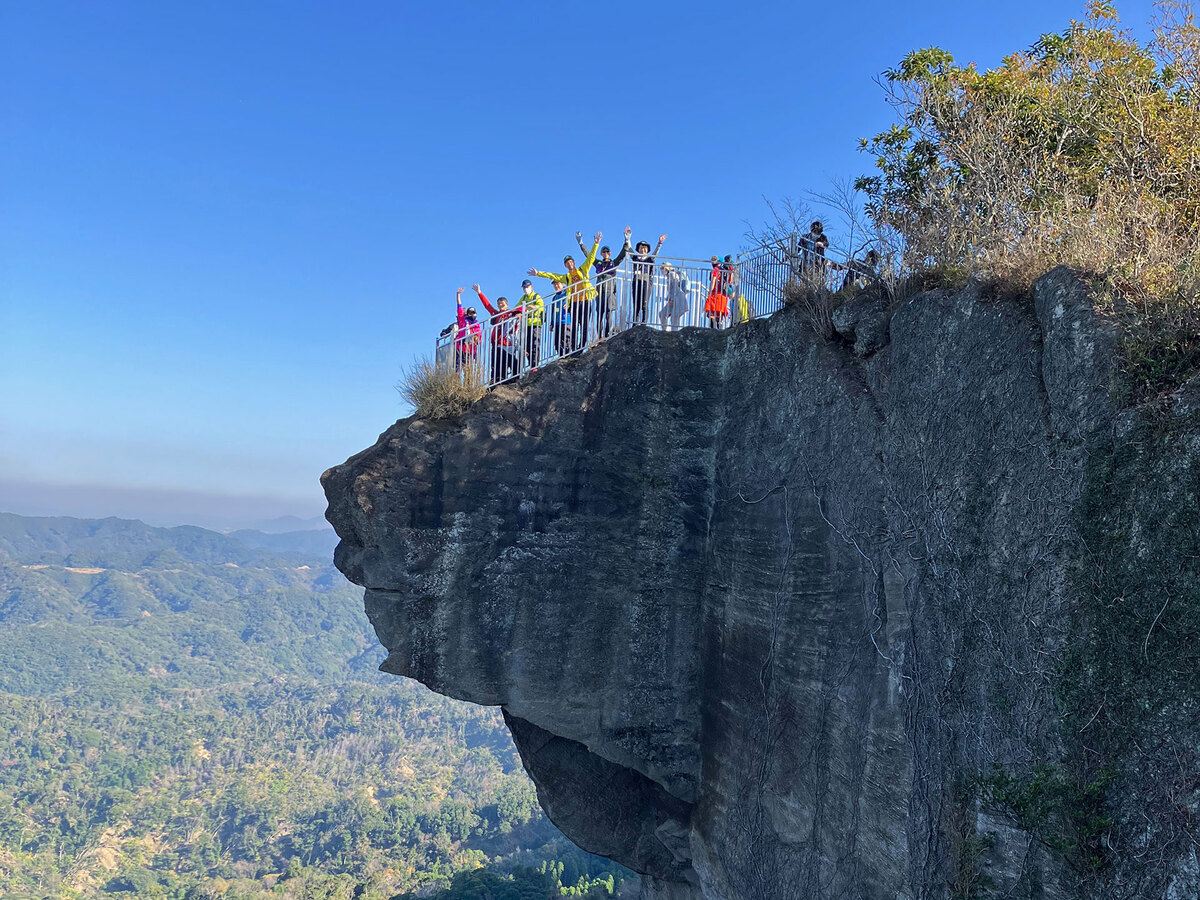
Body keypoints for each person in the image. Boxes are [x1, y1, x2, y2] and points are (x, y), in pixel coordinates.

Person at [529, 231, 601, 351]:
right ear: (565, 266)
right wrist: (538, 273)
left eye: (571, 262)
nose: (570, 264)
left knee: (584, 325)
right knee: (573, 326)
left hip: (585, 300)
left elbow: (591, 257)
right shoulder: (566, 277)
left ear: (574, 262)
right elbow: (551, 275)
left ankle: (581, 346)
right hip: (573, 302)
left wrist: (596, 244)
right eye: (567, 263)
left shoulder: (583, 269)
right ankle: (573, 348)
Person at [579, 230, 627, 340]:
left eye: (607, 252)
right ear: (601, 254)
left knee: (609, 314)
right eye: (603, 252)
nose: (605, 253)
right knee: (599, 314)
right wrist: (581, 243)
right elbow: (588, 255)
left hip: (610, 292)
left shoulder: (613, 263)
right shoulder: (598, 264)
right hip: (599, 292)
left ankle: (606, 335)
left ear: (609, 253)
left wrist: (626, 240)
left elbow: (622, 254)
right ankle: (599, 337)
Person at [472, 284, 523, 383]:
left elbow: (520, 310)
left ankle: (515, 379)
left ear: (506, 304)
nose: (500, 305)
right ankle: (497, 381)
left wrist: (518, 313)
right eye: (499, 304)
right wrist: (479, 293)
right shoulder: (496, 314)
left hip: (507, 344)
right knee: (496, 364)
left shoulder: (510, 313)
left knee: (511, 362)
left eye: (502, 304)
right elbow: (488, 306)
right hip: (496, 344)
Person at [629, 229, 667, 325]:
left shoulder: (650, 259)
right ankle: (635, 323)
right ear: (638, 249)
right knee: (636, 304)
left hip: (646, 282)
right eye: (641, 248)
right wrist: (627, 238)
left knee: (644, 304)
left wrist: (659, 243)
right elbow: (629, 249)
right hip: (636, 281)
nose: (643, 249)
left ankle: (644, 323)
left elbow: (655, 253)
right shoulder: (635, 258)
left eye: (645, 248)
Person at [453, 287, 482, 374]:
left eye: (473, 313)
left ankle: (468, 386)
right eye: (470, 313)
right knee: (458, 368)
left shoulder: (477, 324)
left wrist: (476, 339)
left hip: (470, 349)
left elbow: (479, 336)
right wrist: (458, 295)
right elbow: (459, 306)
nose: (472, 314)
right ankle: (455, 385)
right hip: (460, 348)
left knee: (468, 369)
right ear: (467, 313)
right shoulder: (463, 320)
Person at [518, 279, 545, 369]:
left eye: (527, 287)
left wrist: (533, 307)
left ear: (531, 287)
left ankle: (535, 366)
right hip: (526, 325)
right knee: (526, 346)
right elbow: (517, 308)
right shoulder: (523, 298)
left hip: (535, 323)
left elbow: (541, 306)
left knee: (534, 344)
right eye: (524, 287)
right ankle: (531, 365)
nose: (526, 289)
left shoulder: (536, 296)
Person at [659, 262, 690, 332]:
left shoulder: (672, 274)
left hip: (678, 298)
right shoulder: (670, 276)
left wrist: (671, 299)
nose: (662, 270)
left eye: (663, 268)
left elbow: (675, 287)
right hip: (674, 298)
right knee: (663, 314)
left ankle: (673, 333)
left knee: (674, 317)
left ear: (667, 268)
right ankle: (665, 331)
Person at [799, 220, 830, 285]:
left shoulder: (823, 237)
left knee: (818, 282)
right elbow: (798, 247)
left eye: (819, 232)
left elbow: (826, 244)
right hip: (806, 262)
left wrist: (821, 244)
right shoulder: (805, 237)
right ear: (812, 230)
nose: (817, 234)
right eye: (816, 231)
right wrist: (788, 255)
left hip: (818, 263)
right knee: (805, 282)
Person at [546, 279, 571, 356]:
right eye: (554, 285)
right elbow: (554, 311)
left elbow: (571, 301)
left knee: (566, 339)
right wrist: (552, 323)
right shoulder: (554, 297)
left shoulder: (567, 292)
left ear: (562, 284)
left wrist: (568, 304)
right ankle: (561, 356)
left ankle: (567, 355)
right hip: (556, 322)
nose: (556, 286)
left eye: (557, 284)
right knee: (557, 342)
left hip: (565, 320)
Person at [705, 256, 730, 328]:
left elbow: (713, 281)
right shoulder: (725, 271)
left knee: (712, 313)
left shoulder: (715, 270)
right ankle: (719, 330)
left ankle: (712, 330)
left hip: (715, 294)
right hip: (723, 295)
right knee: (719, 315)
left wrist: (709, 292)